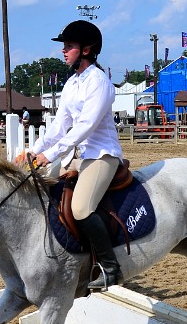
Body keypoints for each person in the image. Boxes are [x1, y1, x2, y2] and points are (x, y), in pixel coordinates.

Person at [27, 19, 124, 291]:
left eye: (69, 46)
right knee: (47, 195)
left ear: (86, 50)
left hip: (103, 155)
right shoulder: (72, 83)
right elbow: (59, 126)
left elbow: (85, 126)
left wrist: (52, 154)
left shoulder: (99, 81)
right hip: (81, 156)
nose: (63, 51)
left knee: (81, 208)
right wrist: (32, 151)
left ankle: (110, 268)